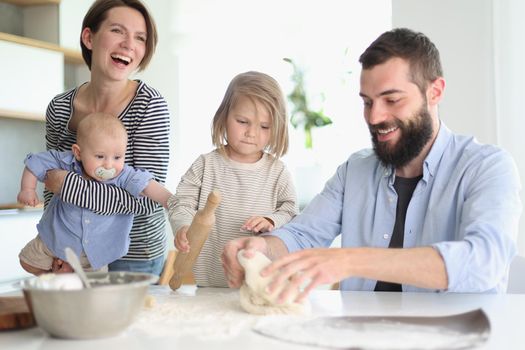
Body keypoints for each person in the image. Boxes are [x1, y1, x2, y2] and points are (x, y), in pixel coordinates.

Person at [222, 28, 522, 301]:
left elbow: (485, 260)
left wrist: (350, 261)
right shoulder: (356, 170)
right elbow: (302, 235)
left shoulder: (487, 167)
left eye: (392, 100)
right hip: (362, 336)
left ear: (435, 92)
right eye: (367, 102)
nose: (374, 117)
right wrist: (262, 248)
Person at [42, 0, 171, 276]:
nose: (128, 44)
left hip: (133, 253)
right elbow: (49, 182)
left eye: (140, 38)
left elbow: (147, 198)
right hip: (71, 249)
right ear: (89, 37)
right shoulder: (60, 108)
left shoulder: (149, 105)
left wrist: (70, 187)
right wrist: (53, 243)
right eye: (117, 31)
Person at [168, 71, 298, 287]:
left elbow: (291, 211)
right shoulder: (205, 165)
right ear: (224, 117)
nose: (251, 133)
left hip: (260, 283)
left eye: (264, 126)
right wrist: (183, 227)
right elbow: (181, 203)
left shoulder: (277, 171)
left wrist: (271, 221)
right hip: (210, 283)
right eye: (243, 121)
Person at [18, 113, 172, 275]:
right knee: (27, 262)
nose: (108, 164)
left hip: (94, 254)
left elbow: (148, 185)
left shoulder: (124, 175)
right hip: (55, 240)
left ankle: (68, 279)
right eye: (100, 156)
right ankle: (57, 277)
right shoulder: (67, 162)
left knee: (93, 291)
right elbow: (36, 162)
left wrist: (170, 201)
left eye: (117, 157)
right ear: (78, 153)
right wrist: (28, 189)